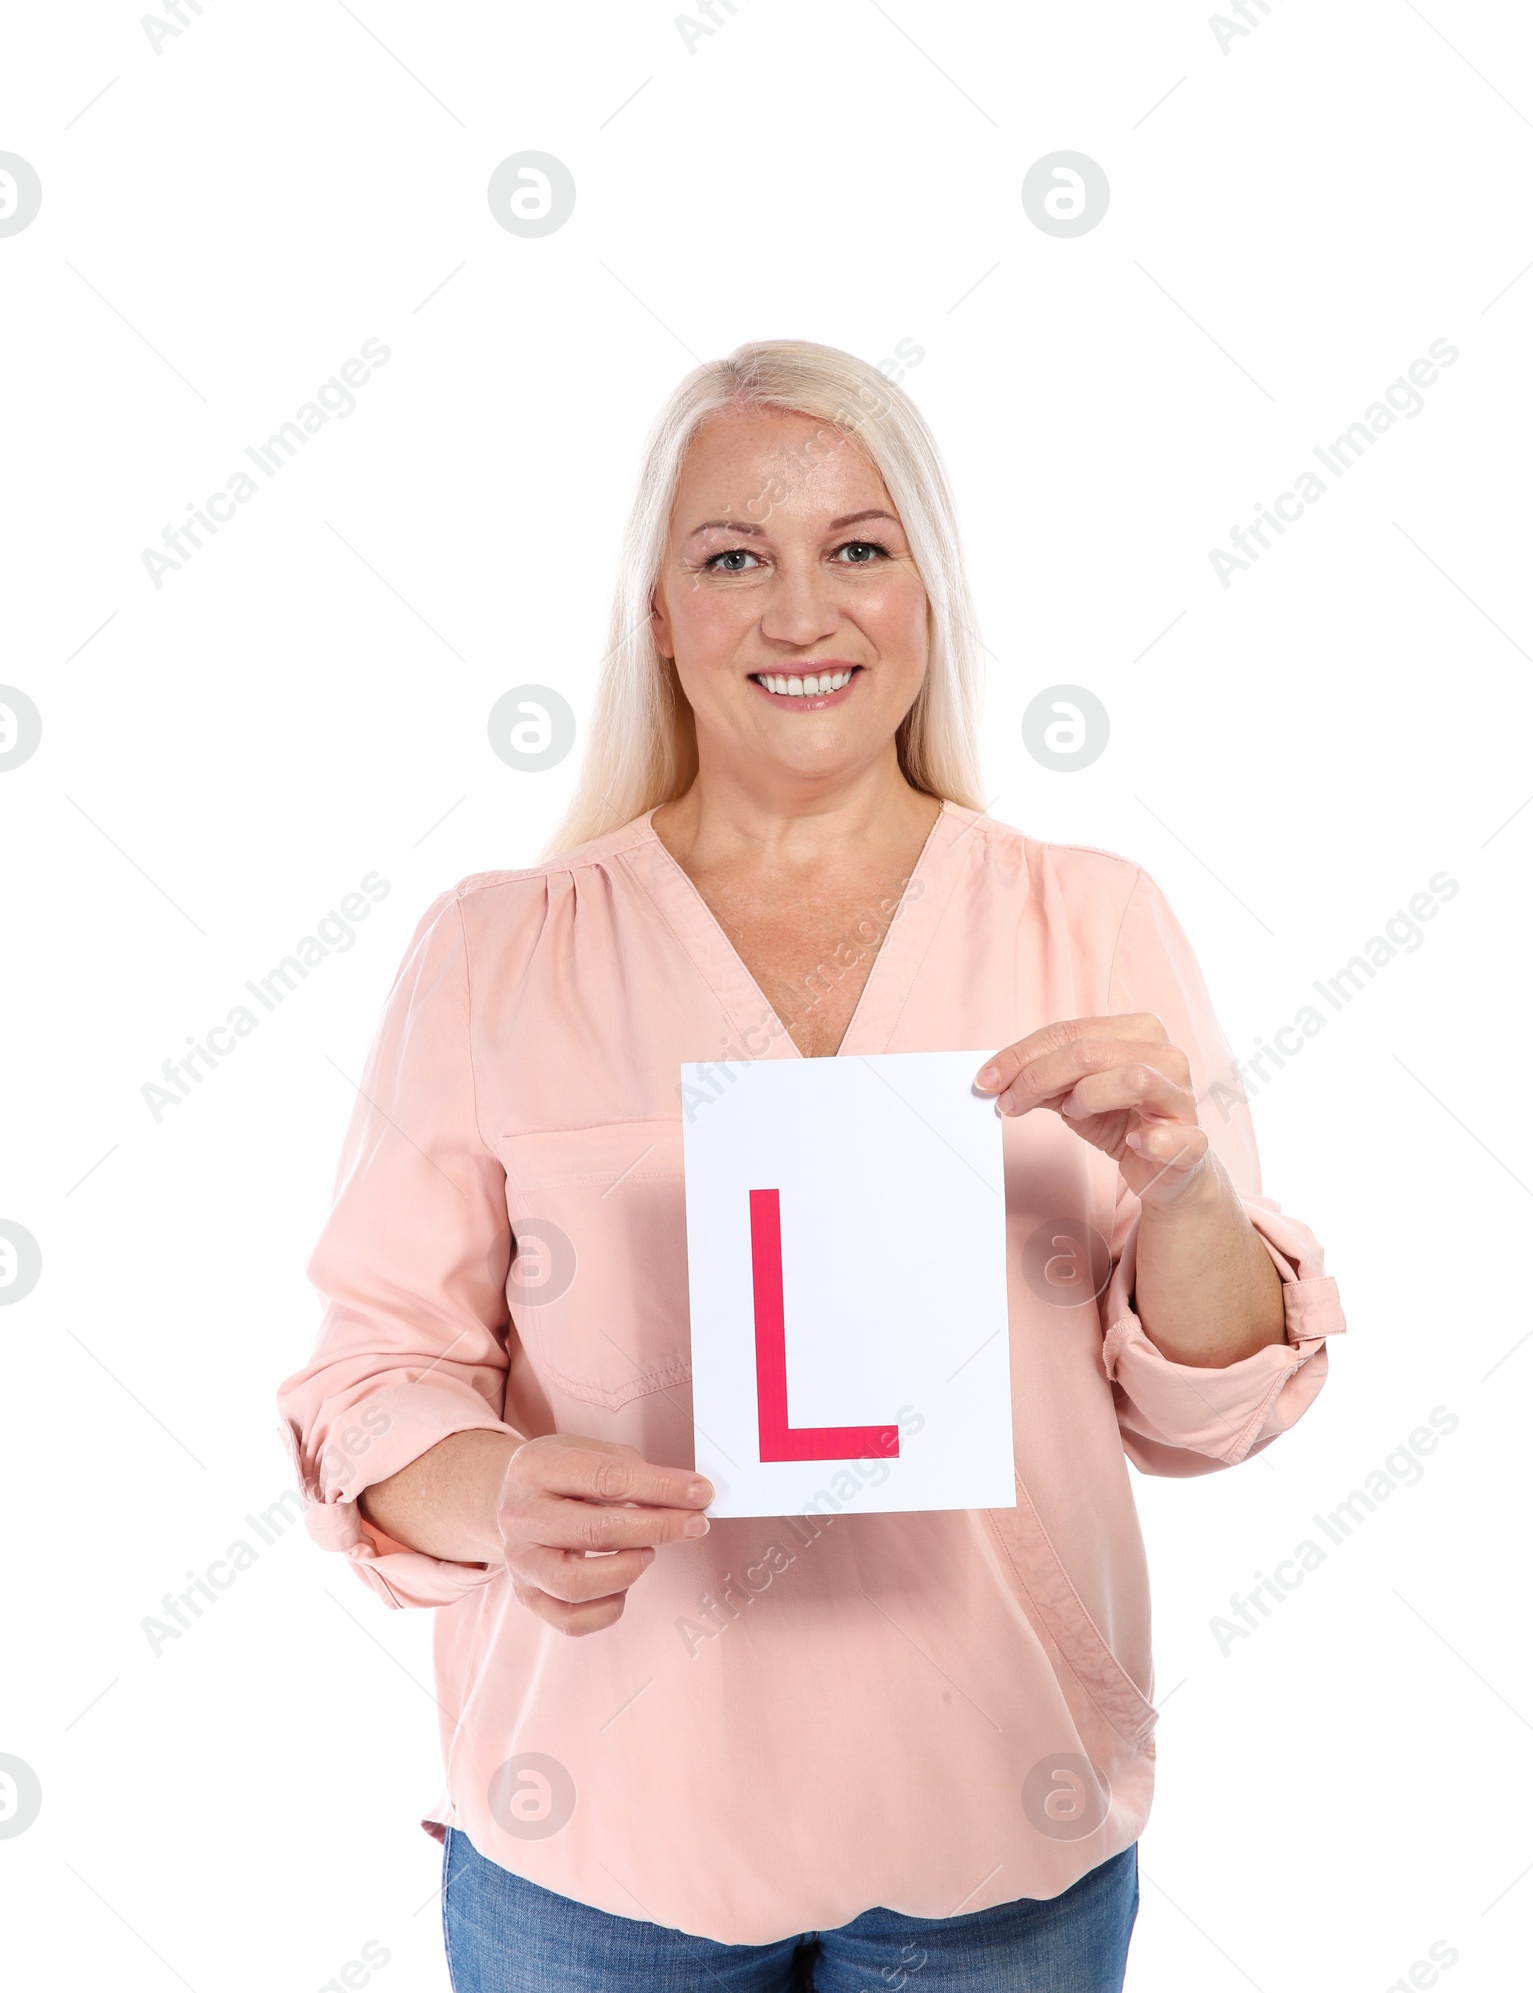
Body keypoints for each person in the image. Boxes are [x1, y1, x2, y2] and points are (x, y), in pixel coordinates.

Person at [275, 338, 1345, 1992]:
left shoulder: (1090, 917)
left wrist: (1191, 1190)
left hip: (999, 1824)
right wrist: (501, 1492)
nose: (800, 613)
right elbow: (371, 1380)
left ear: (928, 590)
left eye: (858, 547)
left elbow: (1202, 1402)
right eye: (732, 558)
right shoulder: (496, 953)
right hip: (603, 1851)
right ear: (658, 617)